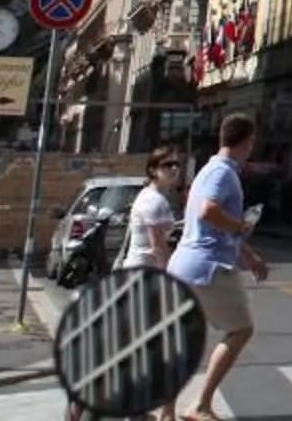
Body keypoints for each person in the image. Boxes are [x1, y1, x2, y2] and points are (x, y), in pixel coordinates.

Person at [168, 114, 274, 421]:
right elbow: (208, 211)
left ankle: (166, 412)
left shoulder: (207, 170)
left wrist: (249, 255)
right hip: (207, 267)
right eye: (252, 140)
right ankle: (200, 404)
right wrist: (240, 224)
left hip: (185, 264)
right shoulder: (224, 173)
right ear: (247, 141)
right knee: (241, 329)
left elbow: (215, 224)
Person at [115, 152, 189, 421]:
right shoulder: (155, 202)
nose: (174, 170)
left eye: (177, 165)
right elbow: (159, 248)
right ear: (152, 170)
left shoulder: (149, 197)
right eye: (167, 165)